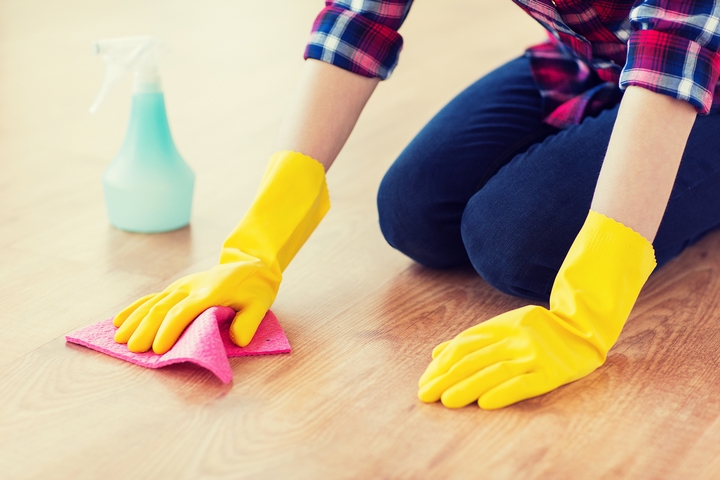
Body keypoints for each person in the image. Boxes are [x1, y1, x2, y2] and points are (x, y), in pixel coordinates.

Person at [110, 1, 720, 409]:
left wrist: (588, 307)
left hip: (701, 76)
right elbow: (360, 19)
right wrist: (257, 246)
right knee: (415, 214)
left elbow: (674, 49)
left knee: (516, 243)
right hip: (590, 57)